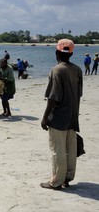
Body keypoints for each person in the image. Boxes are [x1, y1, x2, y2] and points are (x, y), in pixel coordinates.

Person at [40, 39, 83, 190]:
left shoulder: (57, 70)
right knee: (70, 149)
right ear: (71, 53)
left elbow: (53, 97)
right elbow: (79, 94)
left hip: (58, 117)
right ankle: (67, 177)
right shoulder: (77, 70)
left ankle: (57, 181)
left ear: (57, 52)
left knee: (57, 150)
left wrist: (45, 117)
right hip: (72, 115)